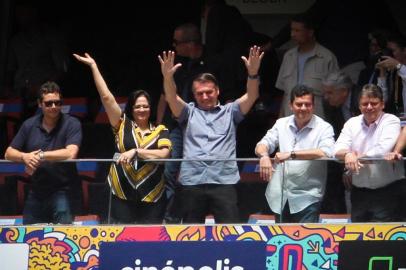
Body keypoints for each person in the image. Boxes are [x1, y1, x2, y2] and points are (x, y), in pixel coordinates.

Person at [158, 46, 263, 223]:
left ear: (218, 91)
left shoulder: (231, 112)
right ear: (194, 95)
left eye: (209, 92)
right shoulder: (188, 113)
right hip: (192, 182)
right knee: (192, 235)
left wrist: (252, 74)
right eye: (200, 93)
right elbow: (171, 96)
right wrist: (168, 77)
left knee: (229, 234)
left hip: (223, 182)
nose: (205, 97)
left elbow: (252, 95)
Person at [74, 53, 171, 224]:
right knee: (123, 240)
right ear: (131, 109)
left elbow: (164, 156)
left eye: (146, 106)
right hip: (122, 194)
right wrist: (93, 67)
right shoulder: (122, 125)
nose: (142, 109)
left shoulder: (161, 130)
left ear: (151, 108)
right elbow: (106, 98)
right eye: (138, 106)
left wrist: (135, 152)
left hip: (152, 195)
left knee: (150, 242)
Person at [4, 81, 82, 224]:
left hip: (63, 190)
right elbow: (8, 153)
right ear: (40, 104)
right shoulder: (29, 125)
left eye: (57, 103)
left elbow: (71, 153)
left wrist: (40, 156)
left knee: (63, 238)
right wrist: (25, 156)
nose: (54, 107)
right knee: (29, 236)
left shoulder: (72, 123)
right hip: (36, 190)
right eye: (49, 103)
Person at [255, 85, 334, 223]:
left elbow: (326, 152)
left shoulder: (324, 127)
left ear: (313, 106)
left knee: (305, 241)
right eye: (299, 104)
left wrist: (291, 154)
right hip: (280, 195)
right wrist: (264, 156)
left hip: (308, 197)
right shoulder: (281, 124)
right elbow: (262, 145)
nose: (303, 108)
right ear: (291, 105)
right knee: (282, 241)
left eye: (307, 104)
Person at [156, 23, 209, 224]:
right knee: (169, 171)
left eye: (177, 43)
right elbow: (163, 98)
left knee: (191, 174)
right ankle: (168, 218)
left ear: (190, 43)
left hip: (199, 128)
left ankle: (190, 220)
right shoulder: (176, 65)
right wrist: (160, 128)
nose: (174, 46)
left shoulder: (210, 63)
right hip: (175, 128)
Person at [334, 84, 404, 222]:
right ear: (359, 106)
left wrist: (355, 156)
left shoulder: (391, 120)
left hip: (388, 191)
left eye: (374, 103)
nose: (369, 107)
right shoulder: (351, 123)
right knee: (359, 238)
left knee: (384, 240)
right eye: (365, 104)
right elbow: (336, 150)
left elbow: (381, 150)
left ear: (382, 104)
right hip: (359, 192)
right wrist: (348, 154)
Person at [5, 2, 69, 118]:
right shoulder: (16, 42)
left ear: (34, 12)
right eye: (18, 13)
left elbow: (62, 69)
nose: (20, 16)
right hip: (19, 98)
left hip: (46, 97)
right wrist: (8, 90)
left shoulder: (50, 36)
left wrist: (42, 88)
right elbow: (10, 70)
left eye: (24, 11)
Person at [275, 13, 339, 119]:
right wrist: (280, 118)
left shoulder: (326, 57)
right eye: (292, 30)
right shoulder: (288, 56)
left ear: (310, 32)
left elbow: (336, 94)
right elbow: (285, 93)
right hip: (290, 120)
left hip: (317, 120)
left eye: (297, 30)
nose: (292, 35)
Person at [321, 71, 361, 214]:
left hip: (365, 153)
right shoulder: (329, 105)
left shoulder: (361, 99)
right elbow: (337, 138)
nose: (326, 97)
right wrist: (345, 165)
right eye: (325, 93)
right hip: (344, 153)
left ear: (344, 91)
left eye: (330, 93)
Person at [201, 0, 254, 102]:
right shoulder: (235, 12)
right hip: (241, 68)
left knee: (227, 101)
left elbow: (213, 44)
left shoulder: (215, 13)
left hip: (224, 70)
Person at [375, 34, 406, 114]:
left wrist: (398, 66)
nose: (391, 55)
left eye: (393, 51)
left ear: (404, 50)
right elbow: (382, 99)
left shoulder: (399, 68)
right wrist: (382, 73)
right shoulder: (393, 71)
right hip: (395, 116)